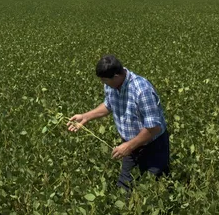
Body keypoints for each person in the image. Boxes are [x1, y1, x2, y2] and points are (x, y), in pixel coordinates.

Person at [67, 55, 169, 191]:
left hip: (153, 146)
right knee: (124, 188)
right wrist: (85, 117)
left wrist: (128, 146)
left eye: (104, 80)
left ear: (116, 76)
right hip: (130, 146)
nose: (103, 83)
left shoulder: (142, 90)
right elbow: (109, 105)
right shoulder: (111, 85)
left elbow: (154, 127)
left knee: (154, 188)